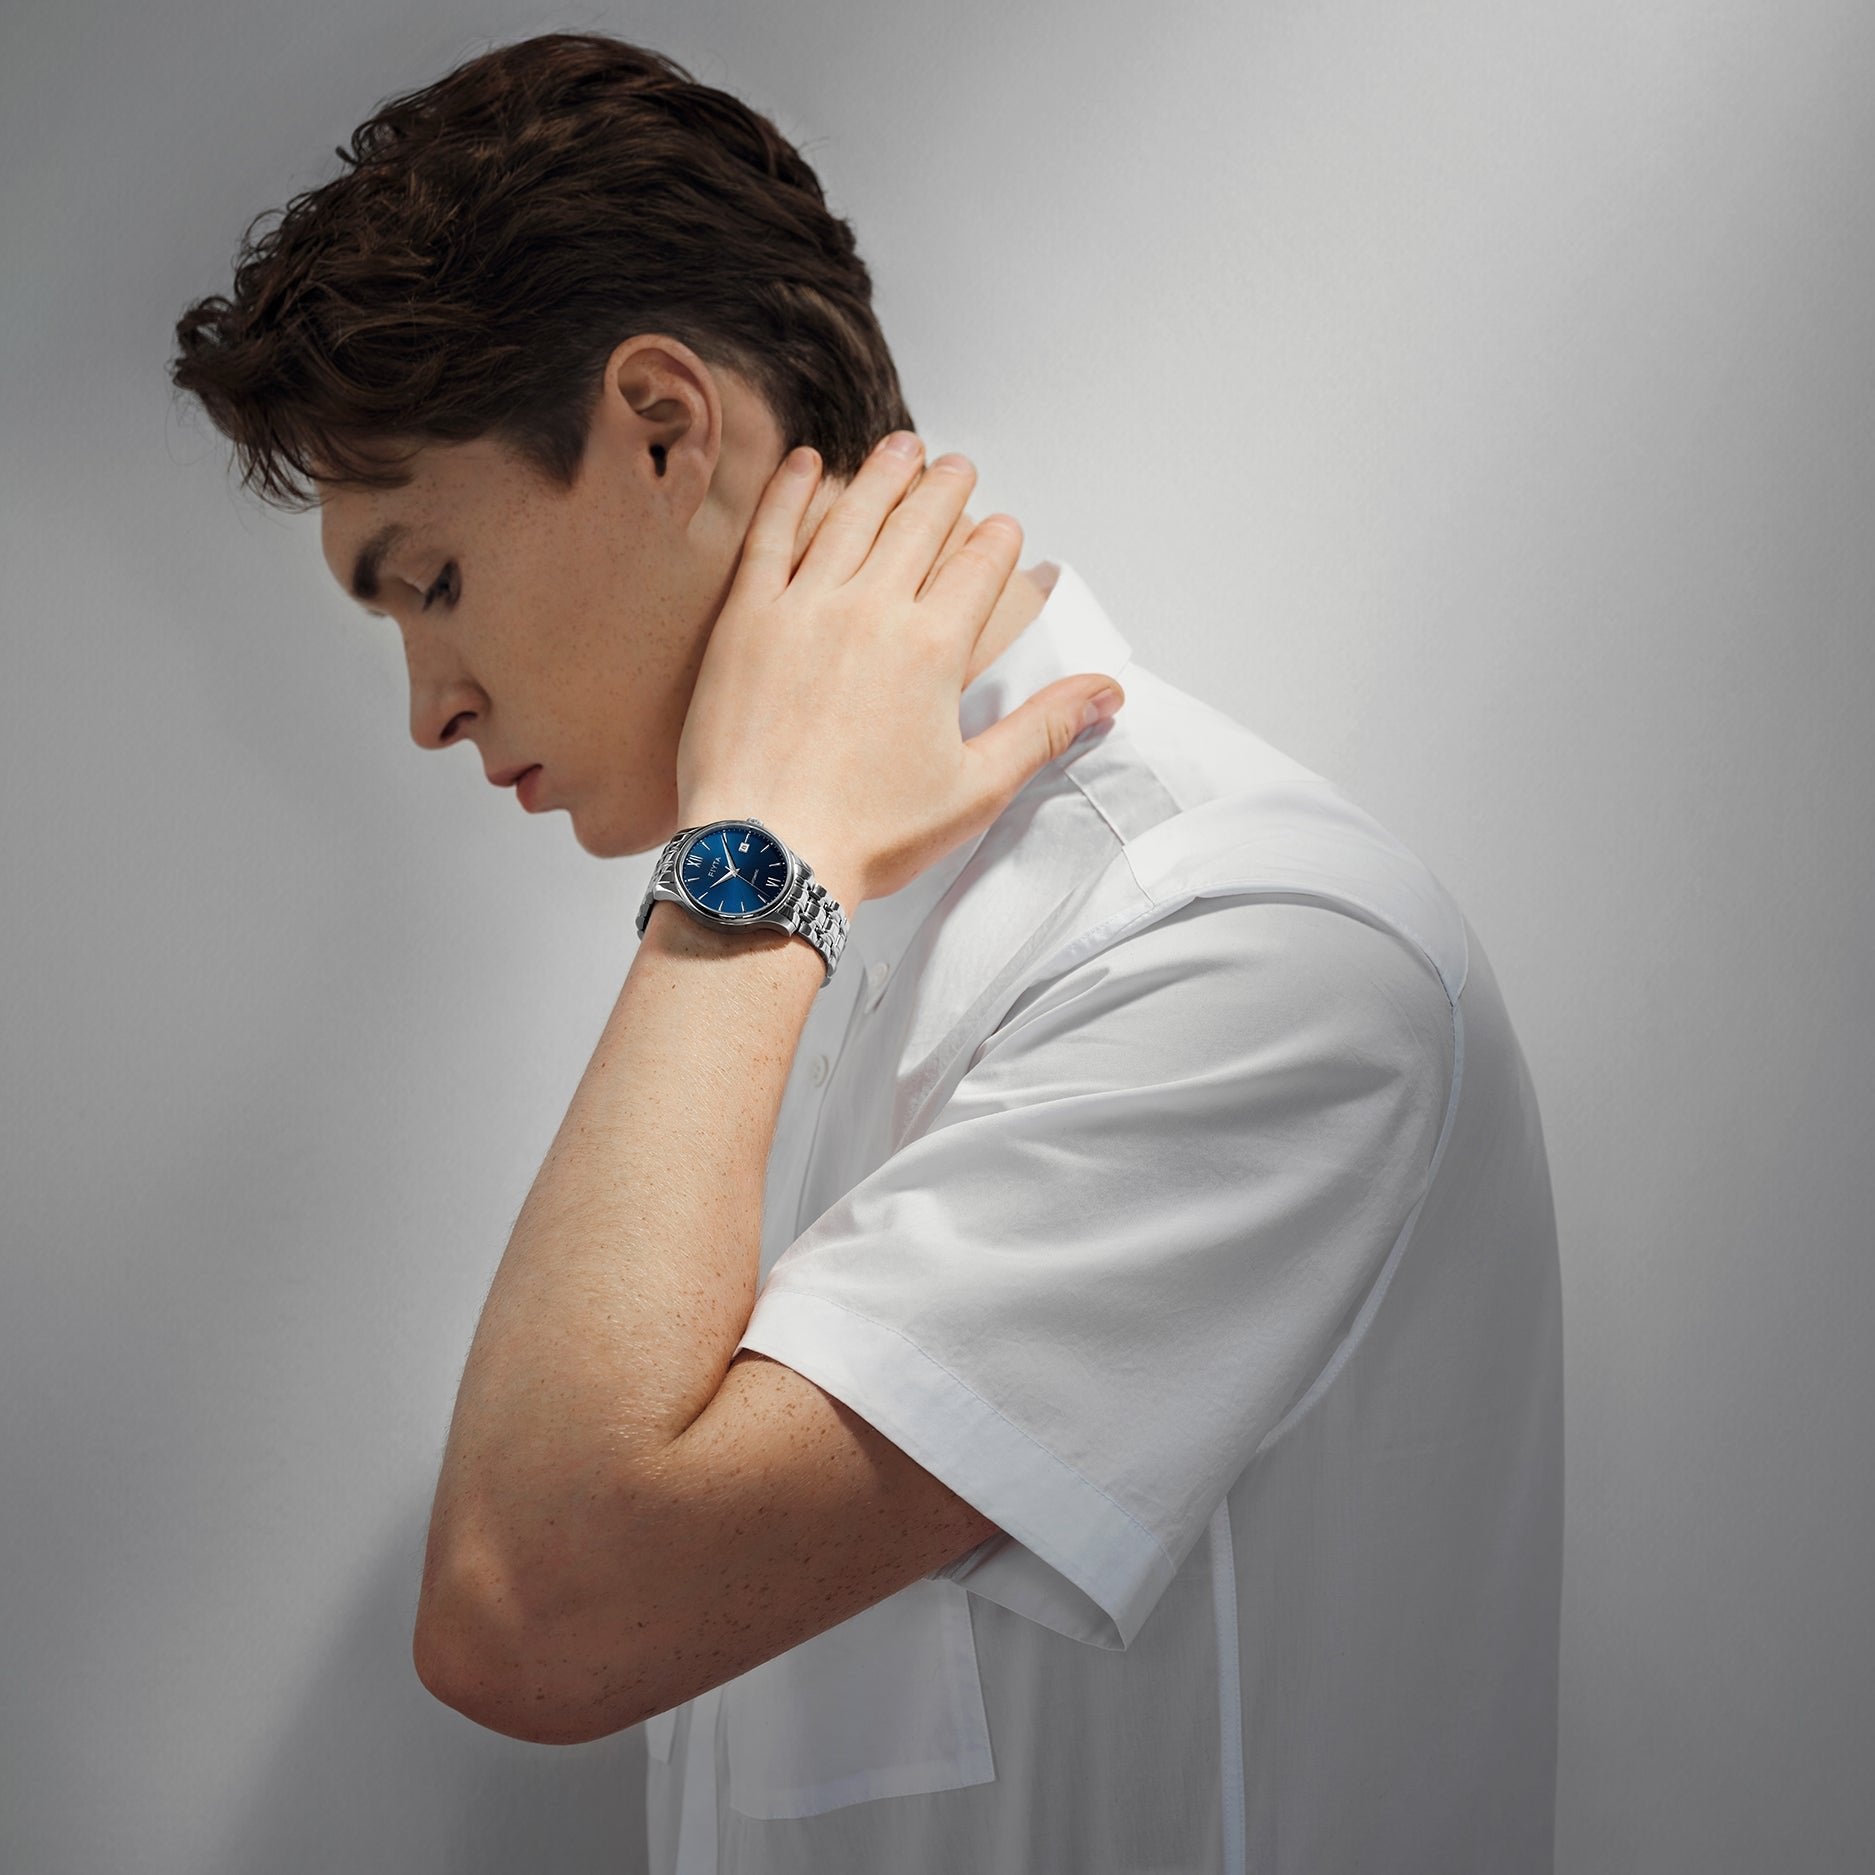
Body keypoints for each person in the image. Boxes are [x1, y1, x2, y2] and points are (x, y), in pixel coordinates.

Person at [169, 30, 1563, 1875]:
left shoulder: (1242, 951)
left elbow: (530, 1608)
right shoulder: (810, 960)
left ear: (661, 430)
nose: (429, 706)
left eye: (433, 579)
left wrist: (756, 853)